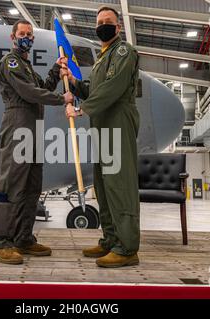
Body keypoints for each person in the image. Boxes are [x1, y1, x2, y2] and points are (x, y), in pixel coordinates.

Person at [62, 6, 141, 268]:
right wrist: (73, 82)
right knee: (104, 186)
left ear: (118, 27)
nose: (103, 26)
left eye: (108, 22)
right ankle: (110, 240)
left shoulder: (123, 52)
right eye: (100, 22)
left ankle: (127, 248)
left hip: (117, 123)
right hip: (102, 126)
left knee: (120, 185)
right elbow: (93, 89)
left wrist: (82, 109)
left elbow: (112, 87)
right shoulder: (102, 58)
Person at [0, 19, 74, 265]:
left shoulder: (27, 66)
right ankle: (0, 242)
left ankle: (23, 238)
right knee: (12, 184)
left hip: (33, 127)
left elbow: (42, 86)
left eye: (30, 34)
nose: (26, 37)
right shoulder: (11, 62)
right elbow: (29, 93)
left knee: (32, 185)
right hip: (17, 125)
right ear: (13, 37)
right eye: (22, 33)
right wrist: (62, 99)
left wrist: (55, 71)